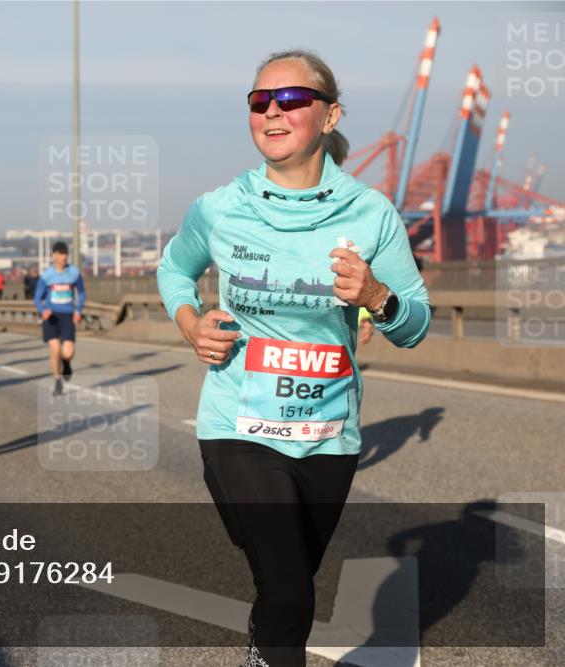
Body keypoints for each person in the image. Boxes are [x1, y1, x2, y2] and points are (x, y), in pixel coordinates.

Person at [157, 50, 430, 667]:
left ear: (331, 114)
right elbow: (175, 267)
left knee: (289, 586)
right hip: (238, 427)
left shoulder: (371, 214)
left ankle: (264, 647)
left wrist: (376, 296)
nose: (272, 112)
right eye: (259, 101)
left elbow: (415, 325)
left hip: (329, 434)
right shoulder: (221, 207)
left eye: (291, 100)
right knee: (288, 584)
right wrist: (190, 322)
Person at [34, 241, 85, 396]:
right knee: (55, 350)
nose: (64, 257)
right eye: (61, 254)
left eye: (66, 254)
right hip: (51, 316)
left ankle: (67, 363)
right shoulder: (47, 275)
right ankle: (57, 382)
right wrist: (42, 310)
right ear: (53, 255)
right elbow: (37, 297)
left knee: (68, 353)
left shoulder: (74, 273)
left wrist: (78, 310)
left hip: (68, 315)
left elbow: (82, 293)